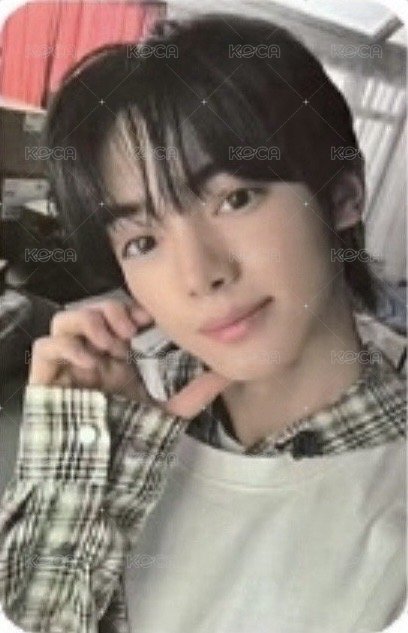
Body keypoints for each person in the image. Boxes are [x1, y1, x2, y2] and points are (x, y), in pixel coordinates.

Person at [0, 13, 406, 633]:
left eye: (235, 199)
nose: (199, 276)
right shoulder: (120, 404)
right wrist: (81, 464)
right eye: (142, 241)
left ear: (342, 196)